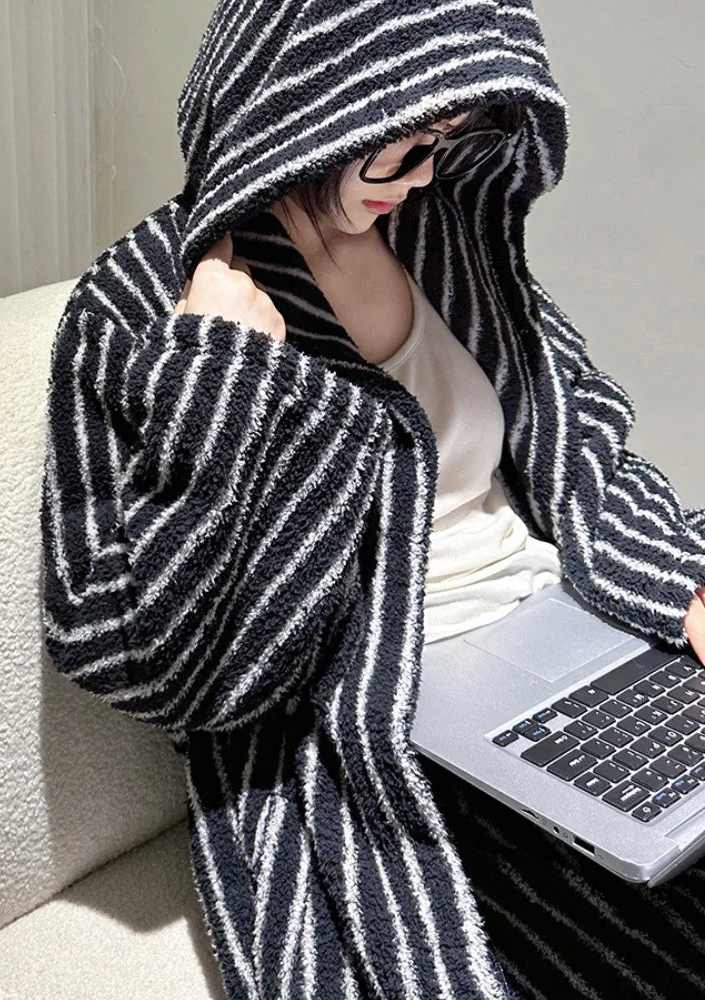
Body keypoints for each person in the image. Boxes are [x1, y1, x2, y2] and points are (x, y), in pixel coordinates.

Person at [41, 2, 705, 996]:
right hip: (380, 709)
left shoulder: (452, 240)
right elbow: (131, 652)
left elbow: (584, 443)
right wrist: (220, 377)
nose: (427, 175)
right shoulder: (135, 308)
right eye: (403, 147)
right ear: (312, 102)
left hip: (572, 626)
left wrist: (685, 585)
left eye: (446, 143)